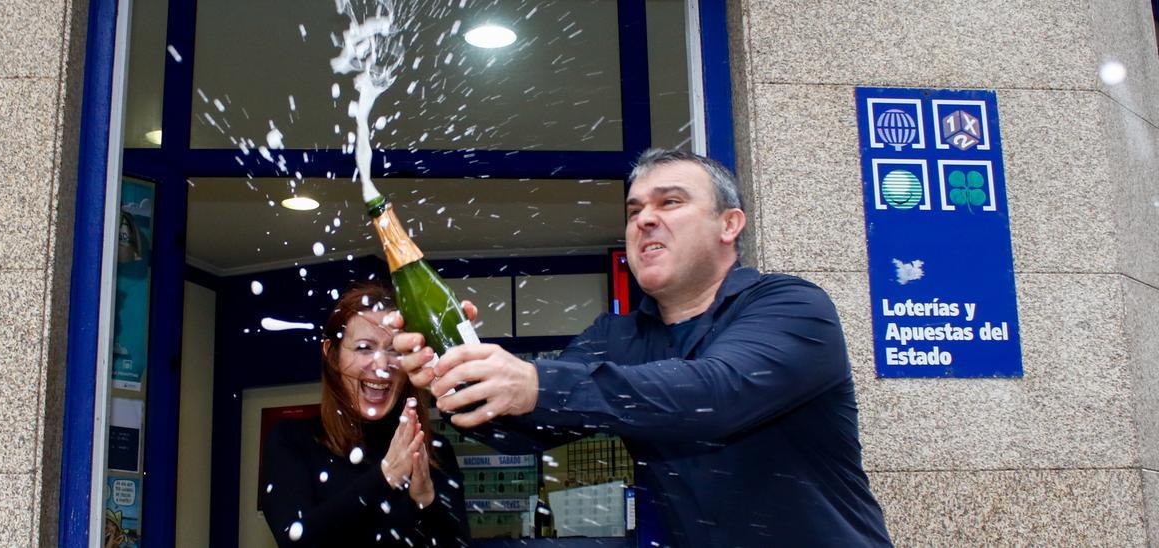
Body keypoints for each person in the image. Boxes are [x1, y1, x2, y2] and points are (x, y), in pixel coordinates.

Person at [393, 149, 891, 546]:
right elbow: (526, 429)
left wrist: (535, 381)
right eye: (635, 210)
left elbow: (715, 394)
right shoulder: (616, 338)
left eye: (670, 202)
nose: (644, 219)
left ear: (729, 224)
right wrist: (454, 375)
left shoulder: (791, 306)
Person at [260, 282, 470, 547]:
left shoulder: (433, 451)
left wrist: (426, 499)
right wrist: (386, 477)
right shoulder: (292, 440)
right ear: (332, 356)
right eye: (363, 348)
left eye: (394, 350)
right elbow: (296, 539)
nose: (382, 365)